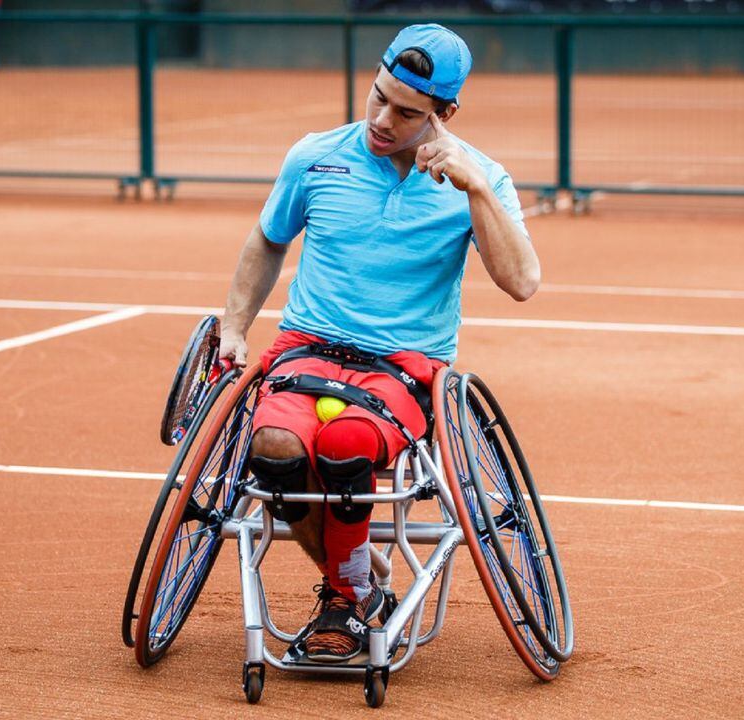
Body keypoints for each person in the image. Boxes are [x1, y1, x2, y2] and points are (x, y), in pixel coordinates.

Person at [217, 23, 539, 663]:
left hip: (401, 370)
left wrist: (474, 187)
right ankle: (357, 580)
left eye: (408, 112)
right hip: (304, 353)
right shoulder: (316, 155)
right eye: (378, 96)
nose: (383, 119)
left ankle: (345, 594)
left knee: (345, 445)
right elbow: (267, 241)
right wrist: (232, 326)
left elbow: (522, 281)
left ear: (444, 114)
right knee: (274, 451)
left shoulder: (484, 180)